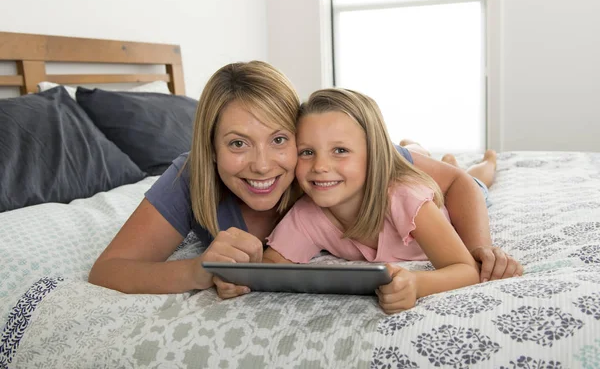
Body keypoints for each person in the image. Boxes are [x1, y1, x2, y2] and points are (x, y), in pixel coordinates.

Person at [88, 62, 519, 296]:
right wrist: (200, 272)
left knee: (472, 175)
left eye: (279, 139)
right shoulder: (190, 176)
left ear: (298, 134)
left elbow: (457, 187)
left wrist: (477, 249)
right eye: (237, 144)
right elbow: (109, 270)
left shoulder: (338, 169)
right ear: (211, 149)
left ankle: (483, 159)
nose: (261, 165)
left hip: (441, 187)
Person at [265, 89, 484, 313]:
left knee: (478, 178)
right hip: (411, 175)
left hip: (441, 197)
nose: (320, 166)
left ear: (374, 155)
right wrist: (235, 279)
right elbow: (271, 266)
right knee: (414, 153)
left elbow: (467, 270)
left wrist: (417, 284)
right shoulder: (307, 214)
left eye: (340, 150)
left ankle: (486, 161)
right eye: (307, 152)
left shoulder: (407, 199)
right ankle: (417, 148)